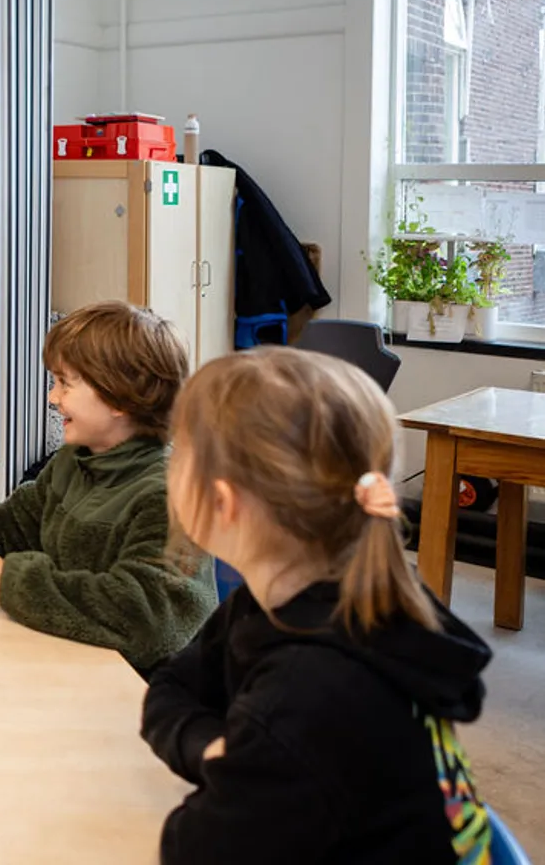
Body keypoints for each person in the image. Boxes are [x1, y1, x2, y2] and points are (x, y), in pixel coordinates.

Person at [141, 346, 493, 864]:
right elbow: (172, 686)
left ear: (223, 501)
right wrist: (217, 750)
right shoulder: (282, 601)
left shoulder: (307, 694)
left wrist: (246, 761)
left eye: (179, 452)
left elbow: (191, 850)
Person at [0, 300, 215, 672]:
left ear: (119, 397)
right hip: (72, 663)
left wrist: (4, 578)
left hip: (146, 691)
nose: (52, 397)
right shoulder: (74, 460)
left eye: (65, 383)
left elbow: (148, 621)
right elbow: (14, 524)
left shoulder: (171, 494)